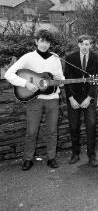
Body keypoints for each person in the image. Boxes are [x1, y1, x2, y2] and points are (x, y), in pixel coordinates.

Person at [4, 30, 65, 171]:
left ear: (50, 43)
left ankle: (51, 158)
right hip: (35, 100)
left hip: (53, 99)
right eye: (42, 41)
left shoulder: (55, 59)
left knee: (52, 131)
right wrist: (26, 84)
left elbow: (60, 80)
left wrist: (59, 80)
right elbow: (8, 74)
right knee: (31, 131)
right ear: (36, 41)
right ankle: (28, 159)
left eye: (47, 42)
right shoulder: (28, 57)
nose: (44, 44)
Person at [64, 34, 98, 167]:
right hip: (73, 99)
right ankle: (75, 153)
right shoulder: (69, 58)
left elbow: (96, 80)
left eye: (88, 44)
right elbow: (66, 80)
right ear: (79, 44)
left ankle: (92, 156)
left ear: (91, 45)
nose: (85, 47)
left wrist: (89, 98)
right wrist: (70, 98)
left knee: (91, 127)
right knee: (74, 127)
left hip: (88, 99)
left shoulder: (97, 59)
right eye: (83, 44)